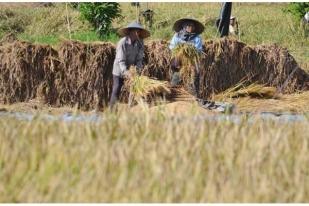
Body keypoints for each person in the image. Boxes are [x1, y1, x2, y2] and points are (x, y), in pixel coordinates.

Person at [109, 22, 150, 108]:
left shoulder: (140, 42)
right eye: (136, 32)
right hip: (119, 69)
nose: (138, 33)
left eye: (139, 32)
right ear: (131, 32)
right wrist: (126, 72)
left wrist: (137, 70)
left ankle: (130, 107)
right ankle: (112, 110)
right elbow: (121, 60)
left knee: (135, 88)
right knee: (117, 88)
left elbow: (139, 58)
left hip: (132, 69)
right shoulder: (122, 43)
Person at [169, 18, 205, 98]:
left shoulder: (197, 38)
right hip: (179, 63)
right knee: (175, 80)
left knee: (192, 82)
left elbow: (198, 50)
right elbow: (172, 47)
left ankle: (194, 99)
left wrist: (189, 49)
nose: (190, 27)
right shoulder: (177, 36)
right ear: (184, 26)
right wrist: (180, 52)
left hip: (191, 64)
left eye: (192, 26)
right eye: (188, 25)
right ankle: (172, 97)